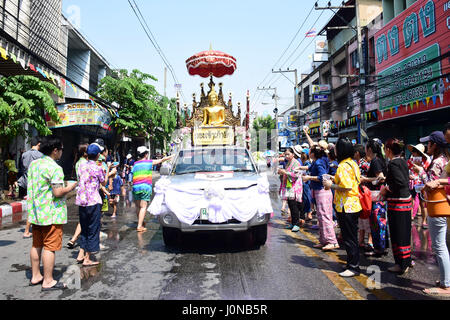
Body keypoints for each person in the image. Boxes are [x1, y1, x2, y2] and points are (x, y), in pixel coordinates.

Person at [27, 136, 77, 291]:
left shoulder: (34, 164)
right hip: (51, 214)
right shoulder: (54, 168)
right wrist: (70, 187)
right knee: (50, 247)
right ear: (55, 150)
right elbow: (57, 192)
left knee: (37, 245)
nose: (62, 152)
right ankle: (48, 281)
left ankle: (36, 276)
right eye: (61, 149)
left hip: (36, 213)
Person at [415, 130, 450, 296]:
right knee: (442, 245)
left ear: (434, 145)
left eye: (428, 143)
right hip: (443, 205)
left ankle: (446, 285)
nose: (426, 146)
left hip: (437, 206)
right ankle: (446, 279)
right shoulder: (445, 159)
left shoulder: (437, 163)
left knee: (439, 246)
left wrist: (421, 172)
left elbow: (430, 184)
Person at [323, 137, 362, 277]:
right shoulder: (352, 163)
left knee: (349, 238)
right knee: (351, 237)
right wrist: (334, 179)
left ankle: (353, 267)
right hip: (352, 205)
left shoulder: (343, 166)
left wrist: (330, 185)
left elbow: (346, 186)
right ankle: (352, 264)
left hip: (346, 206)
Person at [75, 143, 112, 266]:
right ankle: (87, 258)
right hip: (93, 201)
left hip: (82, 201)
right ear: (97, 155)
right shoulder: (98, 168)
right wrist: (108, 171)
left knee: (84, 229)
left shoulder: (81, 166)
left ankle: (82, 255)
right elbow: (103, 181)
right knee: (93, 229)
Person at [382, 139, 413, 274]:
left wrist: (386, 188)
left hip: (398, 204)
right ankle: (406, 260)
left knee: (398, 234)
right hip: (405, 201)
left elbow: (400, 182)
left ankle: (401, 264)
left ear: (388, 150)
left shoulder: (393, 163)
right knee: (404, 233)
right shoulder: (402, 161)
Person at [303, 142, 339, 251]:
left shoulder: (319, 162)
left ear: (313, 153)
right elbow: (308, 167)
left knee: (325, 216)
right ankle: (323, 240)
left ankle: (332, 241)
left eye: (310, 151)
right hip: (319, 191)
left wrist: (309, 178)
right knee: (320, 216)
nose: (308, 152)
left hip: (322, 191)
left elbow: (322, 177)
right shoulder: (317, 161)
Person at [132, 146, 174, 232]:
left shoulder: (135, 164)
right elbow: (161, 160)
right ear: (146, 154)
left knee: (137, 207)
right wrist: (171, 156)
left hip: (135, 186)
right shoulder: (149, 162)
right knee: (143, 207)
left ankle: (141, 222)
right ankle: (139, 226)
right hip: (145, 187)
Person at [363, 138, 388, 257]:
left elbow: (381, 178)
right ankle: (381, 246)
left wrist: (365, 179)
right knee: (379, 222)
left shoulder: (375, 161)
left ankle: (379, 248)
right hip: (379, 196)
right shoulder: (380, 160)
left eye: (366, 148)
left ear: (370, 149)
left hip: (376, 196)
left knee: (377, 222)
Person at [18, 137, 43, 239]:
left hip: (26, 182)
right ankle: (28, 230)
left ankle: (32, 229)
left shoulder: (24, 154)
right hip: (36, 183)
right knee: (36, 207)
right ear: (39, 144)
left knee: (32, 207)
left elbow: (22, 168)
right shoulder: (40, 156)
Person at [67, 143, 89, 250]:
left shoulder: (78, 162)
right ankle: (78, 242)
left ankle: (74, 239)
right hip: (87, 193)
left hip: (81, 193)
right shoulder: (85, 163)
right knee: (87, 219)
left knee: (83, 218)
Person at [278, 146, 304, 232]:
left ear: (293, 154)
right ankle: (293, 223)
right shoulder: (288, 162)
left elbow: (296, 175)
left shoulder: (296, 163)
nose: (286, 156)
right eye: (285, 155)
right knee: (291, 205)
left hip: (294, 187)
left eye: (288, 154)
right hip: (289, 187)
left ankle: (296, 224)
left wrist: (284, 172)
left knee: (294, 206)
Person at [353, 144, 373, 251]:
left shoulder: (363, 163)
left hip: (363, 192)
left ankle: (369, 239)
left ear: (357, 153)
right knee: (361, 216)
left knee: (365, 214)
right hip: (360, 192)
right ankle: (361, 239)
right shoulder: (359, 163)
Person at [407, 143, 430, 223]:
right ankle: (412, 216)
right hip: (414, 183)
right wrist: (409, 176)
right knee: (413, 200)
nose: (412, 153)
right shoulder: (411, 160)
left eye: (414, 151)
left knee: (423, 203)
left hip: (423, 184)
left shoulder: (426, 160)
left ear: (418, 152)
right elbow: (408, 170)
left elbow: (427, 173)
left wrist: (420, 167)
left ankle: (424, 221)